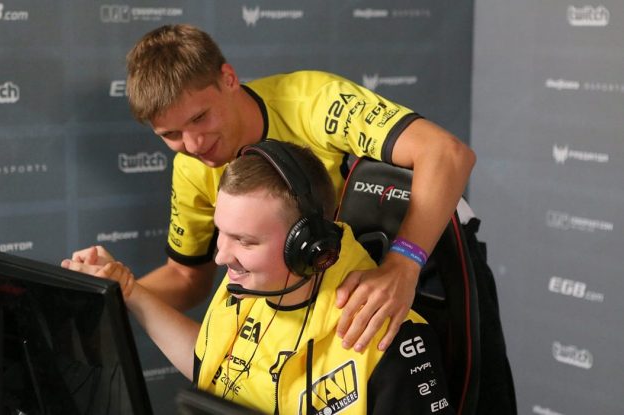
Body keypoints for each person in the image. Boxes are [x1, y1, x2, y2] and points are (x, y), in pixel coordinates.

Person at [69, 23, 477, 354]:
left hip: (420, 266)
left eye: (200, 118)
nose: (193, 144)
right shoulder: (191, 166)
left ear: (228, 78)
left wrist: (404, 265)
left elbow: (447, 153)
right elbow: (187, 277)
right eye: (171, 134)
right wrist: (118, 289)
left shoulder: (311, 100)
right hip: (321, 307)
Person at [63, 140, 453, 414]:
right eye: (222, 233)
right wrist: (128, 290)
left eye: (245, 241)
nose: (221, 256)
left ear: (308, 246)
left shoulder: (386, 338)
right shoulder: (250, 285)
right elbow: (210, 366)